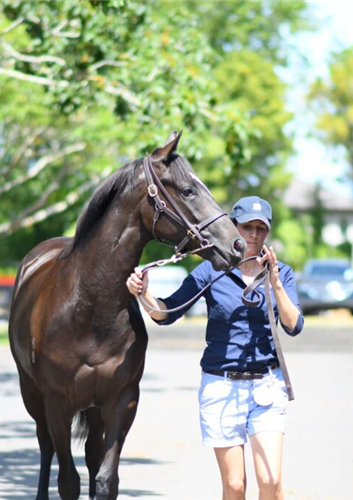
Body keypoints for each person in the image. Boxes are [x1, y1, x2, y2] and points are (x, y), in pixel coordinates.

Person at [126, 196, 303, 500]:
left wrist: (274, 283)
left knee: (271, 483)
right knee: (234, 486)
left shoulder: (281, 273)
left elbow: (294, 325)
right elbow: (167, 313)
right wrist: (143, 293)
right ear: (233, 226)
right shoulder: (211, 270)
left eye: (261, 228)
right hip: (221, 387)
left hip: (266, 387)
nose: (254, 234)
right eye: (247, 226)